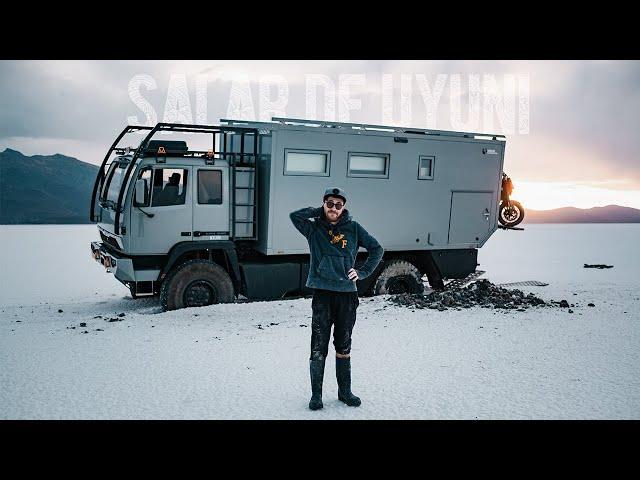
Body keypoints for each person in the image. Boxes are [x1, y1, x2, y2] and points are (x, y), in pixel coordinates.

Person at [290, 187, 384, 410]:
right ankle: (316, 396)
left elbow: (377, 249)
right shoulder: (313, 228)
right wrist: (318, 211)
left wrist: (362, 272)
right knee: (318, 346)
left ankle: (345, 392)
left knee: (343, 345)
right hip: (322, 293)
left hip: (347, 296)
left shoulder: (353, 228)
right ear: (324, 204)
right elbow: (294, 216)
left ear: (344, 207)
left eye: (338, 205)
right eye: (330, 204)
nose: (334, 208)